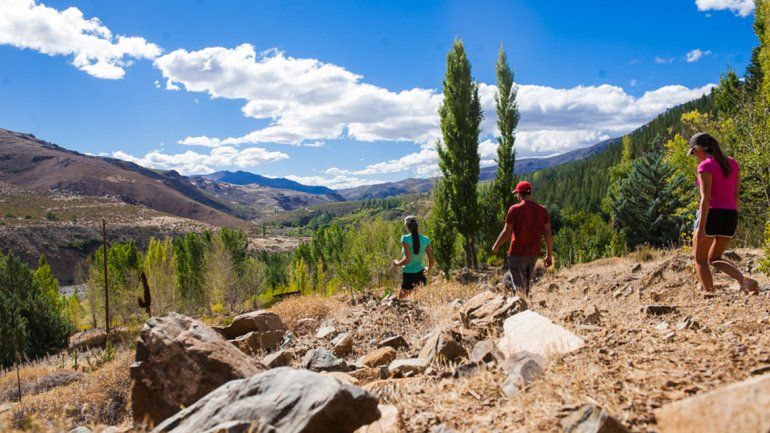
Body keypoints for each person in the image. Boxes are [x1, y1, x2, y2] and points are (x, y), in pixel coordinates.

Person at [689, 132, 759, 294]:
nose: (694, 157)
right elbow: (736, 194)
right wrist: (734, 216)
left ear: (699, 148)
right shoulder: (733, 163)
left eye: (694, 153)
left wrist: (701, 227)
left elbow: (705, 199)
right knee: (714, 258)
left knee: (700, 260)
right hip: (730, 215)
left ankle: (710, 294)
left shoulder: (705, 166)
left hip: (712, 214)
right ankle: (744, 281)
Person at [492, 181, 553, 296]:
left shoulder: (514, 209)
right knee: (526, 283)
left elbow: (506, 232)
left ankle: (522, 306)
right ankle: (525, 304)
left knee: (519, 284)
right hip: (534, 253)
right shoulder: (542, 210)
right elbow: (548, 234)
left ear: (519, 194)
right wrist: (549, 254)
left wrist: (496, 245)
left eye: (516, 194)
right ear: (529, 193)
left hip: (517, 252)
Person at [393, 216, 435, 298]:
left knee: (402, 302)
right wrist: (428, 272)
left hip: (408, 274)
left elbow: (407, 260)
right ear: (417, 225)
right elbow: (432, 260)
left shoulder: (405, 238)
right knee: (417, 302)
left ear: (406, 227)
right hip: (421, 275)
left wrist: (397, 263)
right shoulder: (426, 239)